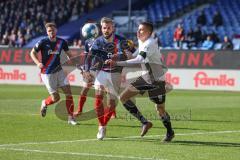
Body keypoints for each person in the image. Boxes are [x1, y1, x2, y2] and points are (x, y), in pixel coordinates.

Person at [106, 22, 175, 142]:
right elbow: (134, 56)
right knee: (123, 97)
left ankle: (170, 132)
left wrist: (116, 63)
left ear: (149, 32)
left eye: (141, 30)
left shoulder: (150, 43)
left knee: (160, 109)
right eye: (138, 29)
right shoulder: (142, 41)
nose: (138, 32)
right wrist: (123, 55)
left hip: (156, 80)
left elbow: (139, 59)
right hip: (146, 77)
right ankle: (145, 122)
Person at [86, 17, 133, 140]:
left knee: (112, 103)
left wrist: (116, 58)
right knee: (98, 96)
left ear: (113, 28)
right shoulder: (98, 41)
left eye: (108, 27)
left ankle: (104, 124)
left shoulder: (121, 41)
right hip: (101, 71)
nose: (106, 30)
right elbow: (89, 57)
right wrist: (86, 70)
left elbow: (130, 55)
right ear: (101, 28)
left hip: (115, 73)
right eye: (104, 28)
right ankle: (101, 126)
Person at [30, 22, 77, 125]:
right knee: (56, 98)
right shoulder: (43, 42)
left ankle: (71, 118)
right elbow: (32, 53)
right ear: (47, 32)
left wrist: (77, 64)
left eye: (53, 30)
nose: (51, 32)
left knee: (68, 93)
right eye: (49, 31)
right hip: (47, 73)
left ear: (56, 30)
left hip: (59, 71)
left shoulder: (61, 42)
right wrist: (38, 63)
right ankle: (45, 102)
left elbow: (69, 55)